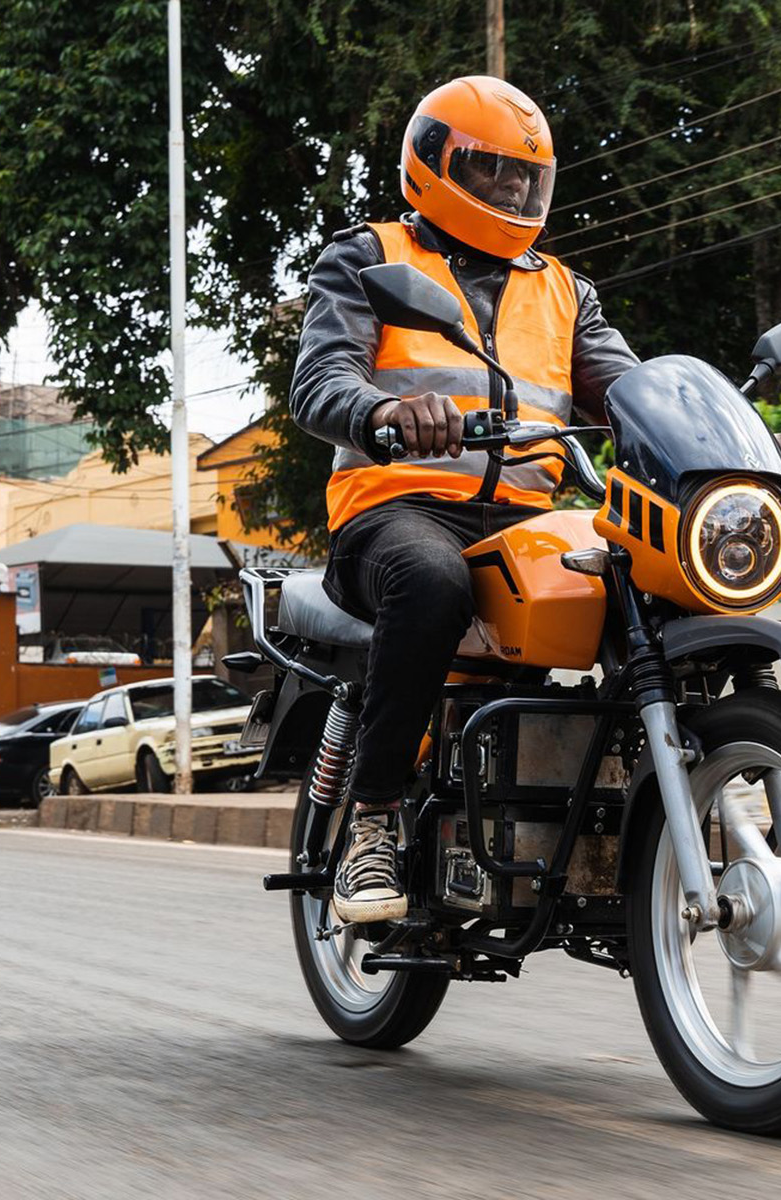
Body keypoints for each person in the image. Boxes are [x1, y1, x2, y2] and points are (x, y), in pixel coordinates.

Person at [291, 76, 650, 925]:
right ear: (433, 164)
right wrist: (381, 411)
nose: (516, 193)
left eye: (529, 179)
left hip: (527, 524)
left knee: (644, 590)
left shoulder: (566, 291)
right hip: (394, 514)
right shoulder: (371, 257)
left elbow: (631, 390)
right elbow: (318, 381)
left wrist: (722, 432)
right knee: (432, 578)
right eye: (494, 172)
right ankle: (374, 820)